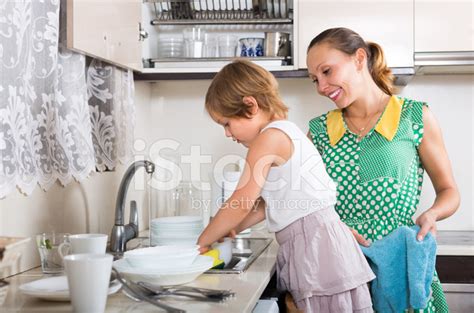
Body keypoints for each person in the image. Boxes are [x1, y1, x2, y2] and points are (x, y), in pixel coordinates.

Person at [197, 59, 375, 312]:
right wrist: (232, 227)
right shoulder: (288, 132)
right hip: (320, 242)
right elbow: (265, 205)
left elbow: (242, 200)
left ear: (250, 106)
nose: (227, 133)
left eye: (227, 123)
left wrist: (202, 240)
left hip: (313, 245)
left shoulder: (269, 138)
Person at [306, 27, 460, 312]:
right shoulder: (319, 131)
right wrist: (332, 227)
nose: (321, 87)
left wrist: (432, 213)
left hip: (401, 264)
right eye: (315, 79)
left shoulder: (414, 117)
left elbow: (449, 191)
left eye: (327, 71)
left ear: (359, 58)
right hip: (342, 267)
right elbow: (304, 204)